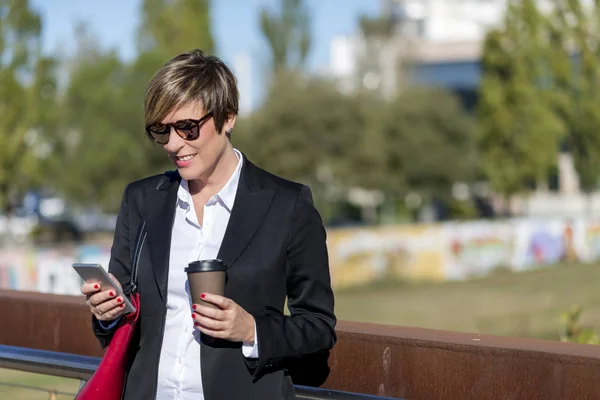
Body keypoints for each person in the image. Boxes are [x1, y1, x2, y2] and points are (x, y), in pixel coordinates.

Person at [81, 49, 337, 400]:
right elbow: (119, 329)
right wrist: (108, 314)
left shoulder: (288, 205)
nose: (174, 144)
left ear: (228, 117)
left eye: (187, 128)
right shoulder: (141, 201)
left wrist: (252, 330)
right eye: (162, 130)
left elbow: (319, 328)